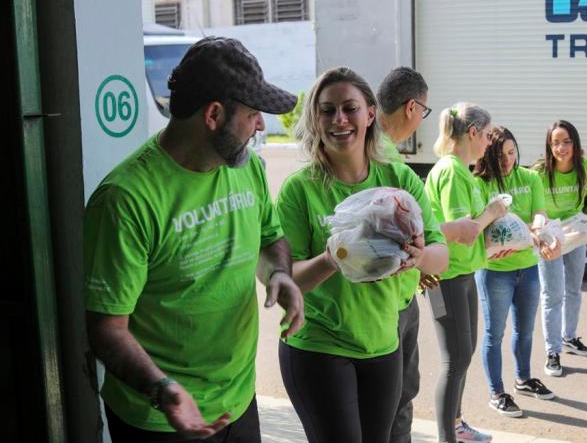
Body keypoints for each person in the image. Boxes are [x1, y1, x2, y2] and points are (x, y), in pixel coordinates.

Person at [84, 37, 305, 443]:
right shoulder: (126, 199)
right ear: (214, 115)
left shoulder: (246, 167)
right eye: (253, 114)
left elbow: (271, 238)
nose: (260, 126)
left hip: (237, 399)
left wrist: (280, 273)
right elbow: (107, 329)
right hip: (161, 418)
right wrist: (161, 389)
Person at [275, 66, 448, 443]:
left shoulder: (397, 180)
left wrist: (419, 256)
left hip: (383, 343)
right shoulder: (299, 190)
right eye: (326, 110)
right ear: (315, 120)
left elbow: (441, 256)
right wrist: (331, 259)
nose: (339, 119)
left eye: (349, 108)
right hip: (319, 344)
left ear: (370, 114)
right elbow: (287, 280)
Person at [424, 103, 508, 442]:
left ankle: (456, 426)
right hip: (446, 276)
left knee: (463, 353)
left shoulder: (462, 170)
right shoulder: (452, 171)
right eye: (488, 135)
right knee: (454, 359)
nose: (490, 143)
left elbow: (471, 232)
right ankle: (448, 436)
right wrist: (493, 211)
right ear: (472, 133)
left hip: (462, 273)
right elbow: (463, 230)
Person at [473, 126, 558, 418]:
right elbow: (477, 226)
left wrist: (536, 227)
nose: (507, 159)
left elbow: (540, 212)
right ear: (489, 154)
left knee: (525, 330)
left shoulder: (530, 177)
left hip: (528, 267)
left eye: (511, 152)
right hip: (494, 270)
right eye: (500, 154)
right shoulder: (481, 184)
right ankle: (497, 392)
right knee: (493, 333)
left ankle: (523, 379)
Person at [377, 66, 432, 443]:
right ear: (411, 107)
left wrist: (419, 264)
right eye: (423, 111)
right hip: (385, 306)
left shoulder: (377, 154)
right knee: (393, 403)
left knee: (399, 396)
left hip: (402, 295)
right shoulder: (389, 166)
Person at [533, 120, 587, 376]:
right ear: (549, 146)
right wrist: (541, 234)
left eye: (566, 142)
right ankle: (552, 352)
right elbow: (531, 208)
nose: (561, 148)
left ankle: (569, 337)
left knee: (574, 289)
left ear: (575, 143)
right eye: (555, 143)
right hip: (549, 234)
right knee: (552, 294)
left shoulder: (586, 169)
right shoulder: (540, 173)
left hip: (574, 233)